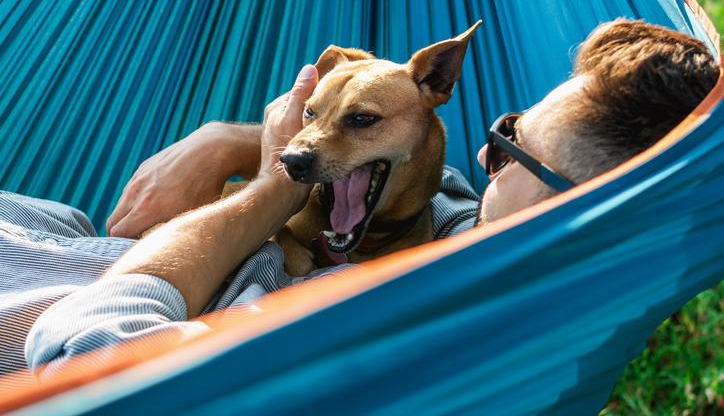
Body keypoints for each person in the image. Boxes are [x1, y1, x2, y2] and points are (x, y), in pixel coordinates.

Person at [0, 19, 718, 385]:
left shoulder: (422, 342)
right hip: (56, 237)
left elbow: (83, 349)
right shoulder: (472, 221)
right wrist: (226, 141)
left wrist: (277, 183)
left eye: (511, 147)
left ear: (577, 207)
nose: (481, 155)